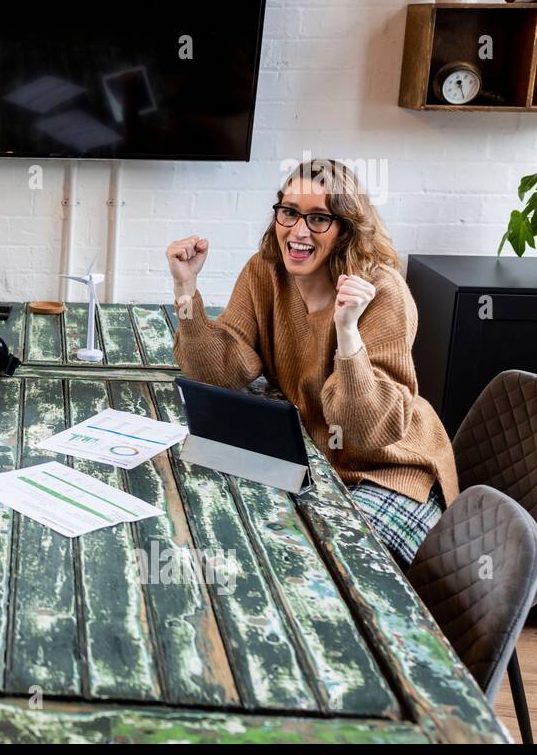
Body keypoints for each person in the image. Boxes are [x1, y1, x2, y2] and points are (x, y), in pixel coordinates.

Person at [166, 158, 458, 567]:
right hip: (315, 464)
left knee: (317, 564)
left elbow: (364, 428)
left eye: (319, 218)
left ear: (345, 230)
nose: (298, 231)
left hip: (389, 473)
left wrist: (348, 332)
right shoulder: (264, 272)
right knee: (235, 532)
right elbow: (221, 373)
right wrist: (185, 289)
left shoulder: (381, 291)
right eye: (289, 212)